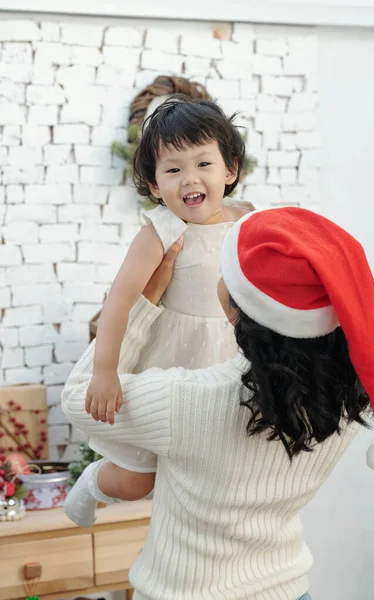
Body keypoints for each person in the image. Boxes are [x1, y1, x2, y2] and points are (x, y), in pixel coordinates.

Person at [62, 206, 374, 600]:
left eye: (225, 269)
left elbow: (78, 394)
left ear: (239, 310)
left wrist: (144, 301)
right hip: (287, 589)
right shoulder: (347, 400)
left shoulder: (189, 402)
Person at [71, 95, 254, 510]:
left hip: (229, 362)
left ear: (231, 169)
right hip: (169, 362)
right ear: (154, 185)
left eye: (203, 164)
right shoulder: (161, 231)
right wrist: (104, 371)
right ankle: (95, 481)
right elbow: (119, 301)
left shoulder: (248, 224)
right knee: (139, 480)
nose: (190, 179)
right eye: (174, 169)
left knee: (218, 473)